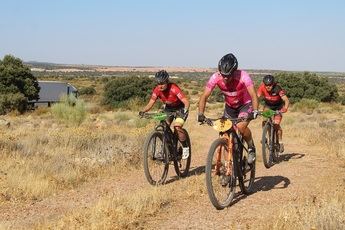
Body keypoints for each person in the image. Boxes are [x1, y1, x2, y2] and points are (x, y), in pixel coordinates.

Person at [198, 53, 259, 164]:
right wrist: (200, 114)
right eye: (223, 74)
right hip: (230, 107)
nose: (225, 78)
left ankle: (251, 147)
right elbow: (204, 96)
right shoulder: (215, 77)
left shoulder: (243, 76)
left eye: (228, 75)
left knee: (240, 127)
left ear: (234, 71)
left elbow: (254, 94)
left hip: (245, 105)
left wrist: (255, 111)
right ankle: (228, 167)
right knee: (224, 133)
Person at [139, 70, 190, 159]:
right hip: (168, 109)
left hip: (180, 108)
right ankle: (169, 150)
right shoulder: (157, 90)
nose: (160, 86)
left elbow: (186, 102)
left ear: (167, 82)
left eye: (162, 83)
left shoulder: (174, 88)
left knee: (177, 127)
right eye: (158, 83)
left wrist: (185, 110)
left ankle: (185, 147)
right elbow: (151, 103)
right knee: (164, 127)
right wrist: (143, 111)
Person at [257, 74, 289, 152]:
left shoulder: (278, 88)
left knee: (276, 125)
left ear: (273, 84)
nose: (268, 87)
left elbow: (286, 100)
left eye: (270, 85)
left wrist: (285, 108)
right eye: (266, 85)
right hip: (268, 106)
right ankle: (265, 137)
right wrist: (254, 108)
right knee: (264, 120)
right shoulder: (262, 87)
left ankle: (280, 142)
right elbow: (256, 97)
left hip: (278, 107)